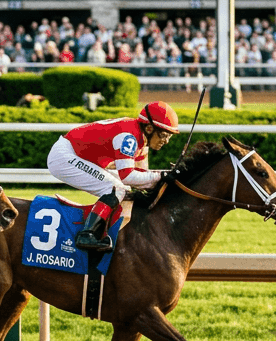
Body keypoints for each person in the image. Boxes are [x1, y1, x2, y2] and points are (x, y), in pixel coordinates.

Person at [46, 101, 180, 252]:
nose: (166, 141)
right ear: (149, 128)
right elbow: (128, 176)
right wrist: (160, 176)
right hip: (65, 157)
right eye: (163, 135)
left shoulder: (142, 142)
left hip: (75, 155)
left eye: (169, 136)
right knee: (116, 189)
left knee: (124, 191)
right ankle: (87, 235)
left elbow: (142, 178)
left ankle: (116, 233)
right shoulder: (129, 138)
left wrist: (161, 179)